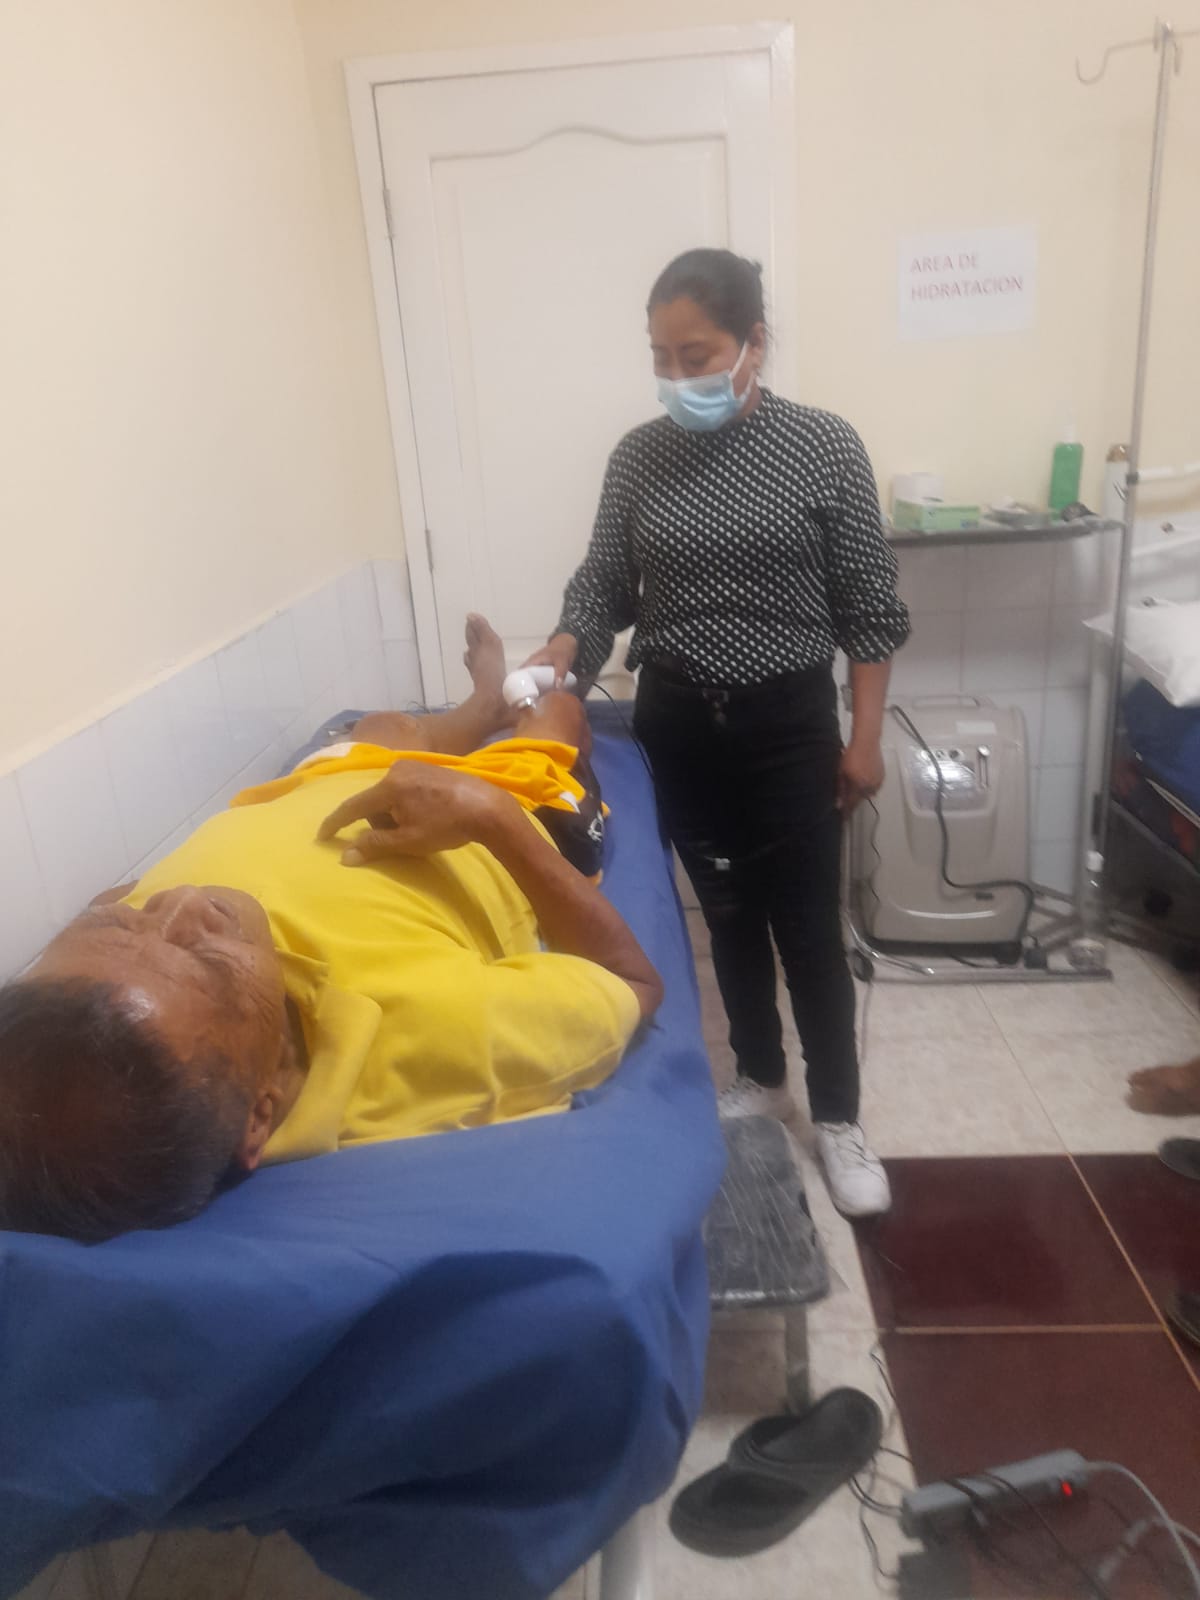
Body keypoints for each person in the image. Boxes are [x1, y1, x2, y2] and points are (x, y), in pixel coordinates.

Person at [0, 617, 661, 1243]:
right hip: (488, 814)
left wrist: (125, 922)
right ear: (260, 1113)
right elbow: (632, 983)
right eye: (204, 957)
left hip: (322, 783)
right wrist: (488, 814)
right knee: (557, 713)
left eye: (124, 923)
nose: (180, 901)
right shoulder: (437, 1036)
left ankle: (484, 702)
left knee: (385, 726)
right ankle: (507, 714)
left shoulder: (116, 994)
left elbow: (120, 913)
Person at [525, 249, 910, 1217]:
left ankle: (839, 1117)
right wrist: (559, 651)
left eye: (695, 356)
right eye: (661, 358)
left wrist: (864, 738)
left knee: (807, 925)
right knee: (727, 915)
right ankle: (761, 1075)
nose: (676, 377)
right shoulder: (638, 458)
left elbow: (869, 607)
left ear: (754, 344)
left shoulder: (822, 446)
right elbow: (602, 587)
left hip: (788, 724)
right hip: (679, 724)